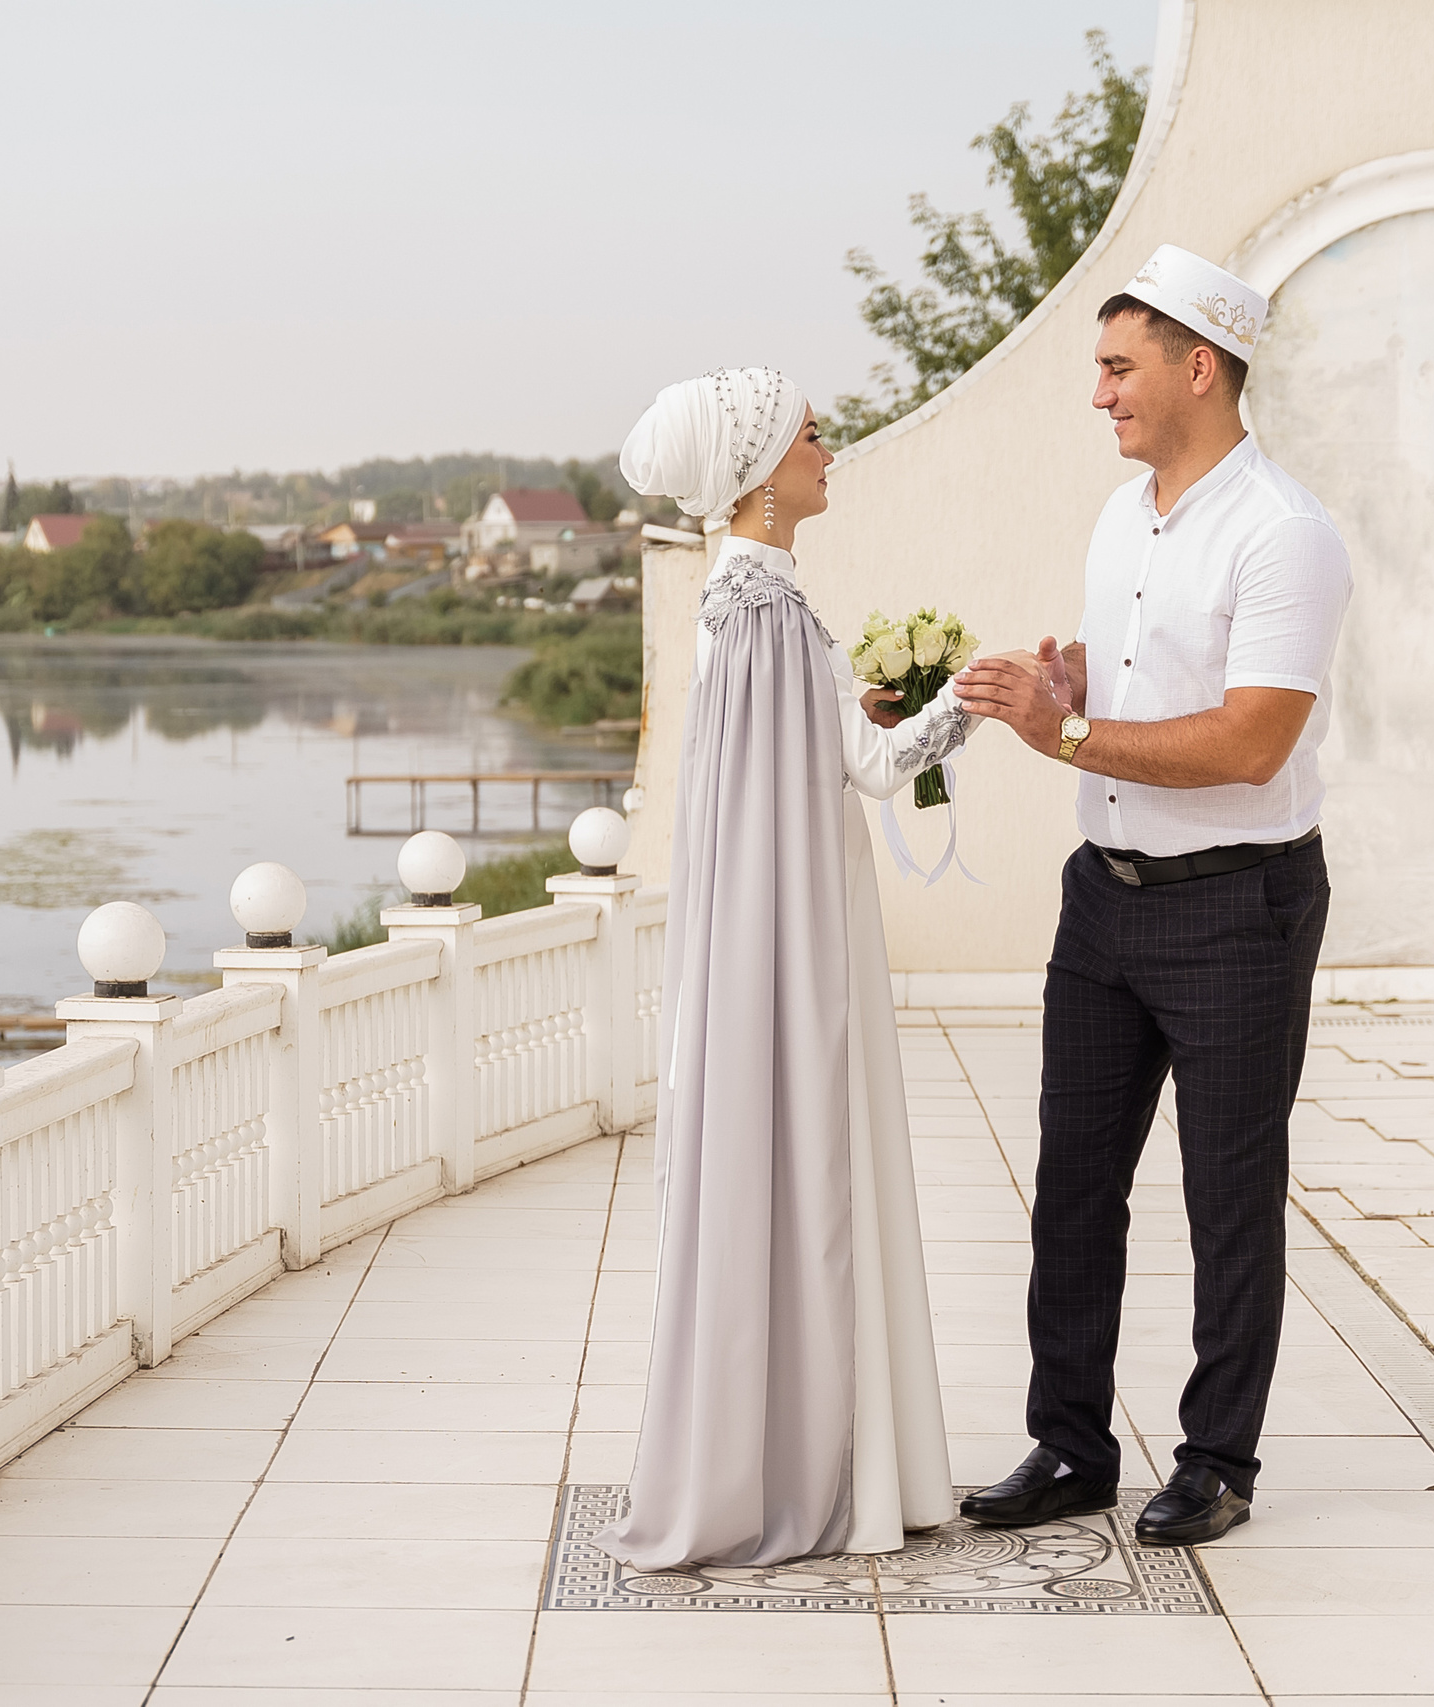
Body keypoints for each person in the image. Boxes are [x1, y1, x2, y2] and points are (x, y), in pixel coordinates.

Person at [951, 246, 1352, 1546]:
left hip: (1237, 906)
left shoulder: (1285, 535)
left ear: (1199, 367)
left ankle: (1217, 1458)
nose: (1100, 395)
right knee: (1074, 1180)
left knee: (1228, 1194)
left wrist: (1060, 738)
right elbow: (1137, 696)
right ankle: (1069, 1446)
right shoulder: (1123, 516)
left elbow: (1248, 743)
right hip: (1105, 896)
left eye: (1119, 367)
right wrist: (1072, 691)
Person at [599, 368, 969, 1569]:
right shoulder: (758, 607)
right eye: (811, 434)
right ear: (760, 472)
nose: (828, 448)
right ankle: (809, 1470)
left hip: (789, 922)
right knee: (819, 1159)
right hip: (798, 937)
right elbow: (861, 775)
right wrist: (976, 702)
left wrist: (874, 707)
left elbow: (819, 757)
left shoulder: (757, 601)